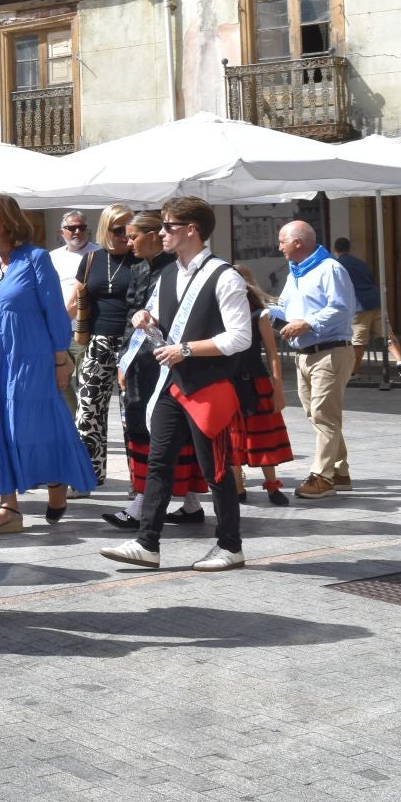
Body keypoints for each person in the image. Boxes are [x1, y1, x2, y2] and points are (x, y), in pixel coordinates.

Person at [102, 197, 251, 573]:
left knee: (215, 469)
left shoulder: (224, 275)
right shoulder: (167, 274)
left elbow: (240, 337)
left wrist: (187, 349)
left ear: (191, 230)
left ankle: (230, 546)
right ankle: (147, 542)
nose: (162, 232)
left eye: (168, 226)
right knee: (158, 463)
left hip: (209, 386)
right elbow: (156, 315)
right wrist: (144, 316)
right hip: (172, 385)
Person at [0, 196, 95, 532]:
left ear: (8, 220)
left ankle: (56, 485)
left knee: (33, 426)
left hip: (32, 358)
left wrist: (60, 359)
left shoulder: (35, 258)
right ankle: (8, 507)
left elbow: (55, 311)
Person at [102, 210, 208, 532]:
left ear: (152, 236)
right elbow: (130, 315)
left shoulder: (174, 270)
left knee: (168, 430)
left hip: (167, 360)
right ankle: (181, 503)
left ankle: (156, 504)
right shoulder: (137, 269)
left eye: (134, 236)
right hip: (140, 362)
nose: (128, 241)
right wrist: (124, 359)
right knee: (140, 428)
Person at [265, 220, 358, 499]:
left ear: (298, 242)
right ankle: (339, 471)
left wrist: (307, 323)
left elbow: (342, 309)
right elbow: (284, 307)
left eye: (282, 240)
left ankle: (322, 477)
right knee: (318, 416)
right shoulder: (296, 272)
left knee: (323, 416)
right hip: (306, 354)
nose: (278, 246)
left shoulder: (330, 268)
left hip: (330, 351)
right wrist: (260, 307)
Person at [71, 204, 136, 482]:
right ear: (105, 229)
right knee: (87, 413)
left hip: (132, 343)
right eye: (118, 229)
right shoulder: (90, 260)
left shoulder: (141, 259)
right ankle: (88, 476)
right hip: (97, 342)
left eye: (128, 229)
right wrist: (53, 334)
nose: (124, 235)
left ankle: (140, 481)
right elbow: (74, 301)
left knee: (132, 414)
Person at [231, 264, 294, 506]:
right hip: (230, 382)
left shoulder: (259, 315)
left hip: (257, 381)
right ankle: (237, 486)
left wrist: (278, 389)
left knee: (264, 436)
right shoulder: (220, 314)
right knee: (233, 436)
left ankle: (272, 486)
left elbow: (273, 354)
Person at [50, 209, 100, 417]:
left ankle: (84, 426)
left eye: (81, 227)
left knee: (87, 383)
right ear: (62, 232)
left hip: (85, 332)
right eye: (72, 228)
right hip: (58, 332)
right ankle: (73, 423)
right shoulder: (51, 257)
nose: (77, 231)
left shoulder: (98, 254)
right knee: (60, 383)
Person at [333, 237, 401, 377]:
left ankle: (354, 372)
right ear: (350, 249)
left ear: (335, 250)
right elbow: (372, 281)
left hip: (359, 305)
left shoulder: (337, 265)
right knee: (387, 334)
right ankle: (400, 362)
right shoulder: (360, 263)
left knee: (358, 341)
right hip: (376, 301)